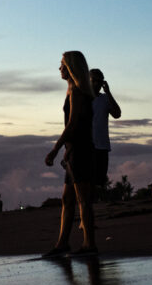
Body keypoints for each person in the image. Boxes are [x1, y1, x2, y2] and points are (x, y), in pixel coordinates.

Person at [44, 51, 97, 256]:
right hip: (75, 150)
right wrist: (67, 150)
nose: (59, 68)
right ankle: (62, 244)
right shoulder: (73, 90)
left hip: (81, 150)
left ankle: (89, 245)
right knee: (67, 199)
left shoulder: (77, 91)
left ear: (71, 68)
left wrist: (55, 149)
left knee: (83, 199)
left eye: (63, 65)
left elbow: (73, 124)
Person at [89, 68, 122, 199]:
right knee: (87, 181)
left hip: (102, 146)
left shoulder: (105, 99)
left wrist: (108, 92)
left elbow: (117, 114)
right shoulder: (82, 98)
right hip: (87, 146)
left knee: (99, 182)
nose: (97, 83)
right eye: (94, 80)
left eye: (100, 81)